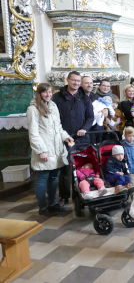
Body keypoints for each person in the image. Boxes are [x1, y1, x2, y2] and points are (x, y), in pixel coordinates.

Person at [28, 83, 74, 215]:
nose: (48, 95)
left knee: (54, 178)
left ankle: (53, 204)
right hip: (44, 149)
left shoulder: (53, 106)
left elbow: (58, 127)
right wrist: (41, 150)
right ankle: (43, 207)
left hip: (56, 148)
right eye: (45, 92)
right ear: (39, 93)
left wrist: (66, 137)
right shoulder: (33, 109)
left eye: (50, 92)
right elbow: (33, 133)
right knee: (42, 178)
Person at [52, 71, 94, 204]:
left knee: (82, 166)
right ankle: (64, 196)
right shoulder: (57, 97)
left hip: (82, 138)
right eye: (73, 80)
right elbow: (54, 118)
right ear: (67, 80)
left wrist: (85, 129)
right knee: (66, 168)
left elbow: (90, 117)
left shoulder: (84, 97)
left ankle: (80, 193)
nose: (76, 83)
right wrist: (62, 134)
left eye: (78, 80)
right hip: (64, 138)